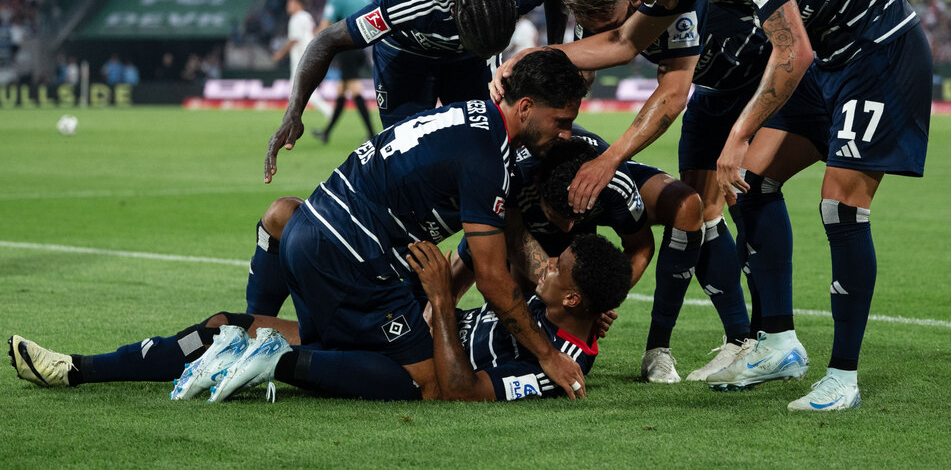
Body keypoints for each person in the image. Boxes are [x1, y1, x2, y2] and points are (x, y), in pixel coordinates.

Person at [497, 0, 932, 411]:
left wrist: (738, 135)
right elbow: (621, 43)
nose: (638, 5)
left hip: (875, 50)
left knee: (842, 203)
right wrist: (525, 61)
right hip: (830, 57)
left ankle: (843, 378)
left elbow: (793, 49)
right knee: (753, 183)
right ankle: (778, 343)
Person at [256, 48, 590, 398]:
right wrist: (548, 355)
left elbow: (509, 236)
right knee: (426, 381)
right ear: (525, 107)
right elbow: (492, 279)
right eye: (561, 121)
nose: (566, 134)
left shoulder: (473, 116)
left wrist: (581, 300)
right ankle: (268, 361)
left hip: (312, 227)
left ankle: (213, 337)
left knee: (326, 349)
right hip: (350, 251)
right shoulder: (488, 158)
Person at [9, 233, 631, 403]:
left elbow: (462, 390)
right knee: (229, 322)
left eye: (557, 271)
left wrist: (443, 303)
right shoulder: (556, 311)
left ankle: (262, 365)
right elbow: (511, 244)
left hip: (408, 372)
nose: (545, 269)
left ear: (572, 300)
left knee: (284, 356)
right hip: (406, 327)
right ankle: (78, 370)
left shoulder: (562, 371)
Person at [563, 0, 775, 381]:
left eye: (605, 14)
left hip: (755, 88)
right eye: (590, 18)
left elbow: (675, 91)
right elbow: (580, 72)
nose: (599, 25)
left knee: (750, 199)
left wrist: (610, 159)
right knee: (699, 208)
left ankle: (770, 336)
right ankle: (732, 340)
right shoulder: (597, 7)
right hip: (713, 92)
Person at [264, 0, 571, 181]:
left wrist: (557, 52)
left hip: (468, 59)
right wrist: (294, 110)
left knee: (490, 149)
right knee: (404, 163)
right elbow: (326, 40)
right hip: (406, 53)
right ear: (453, 16)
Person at [457, 131, 704, 383]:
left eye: (575, 217)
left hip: (588, 205)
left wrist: (595, 302)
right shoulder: (513, 176)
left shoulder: (612, 183)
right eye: (558, 217)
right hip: (515, 219)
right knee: (494, 275)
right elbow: (510, 238)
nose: (567, 228)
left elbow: (640, 247)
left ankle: (658, 349)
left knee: (688, 204)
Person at [311, 0, 376, 143]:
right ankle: (326, 133)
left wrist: (313, 40)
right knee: (342, 91)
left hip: (346, 48)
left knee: (355, 89)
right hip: (362, 47)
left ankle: (372, 133)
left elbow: (325, 26)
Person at [271, 0, 334, 120]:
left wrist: (280, 53)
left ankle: (294, 118)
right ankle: (323, 111)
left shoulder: (296, 18)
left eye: (290, 3)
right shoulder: (307, 16)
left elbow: (294, 39)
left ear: (297, 4)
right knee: (303, 89)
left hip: (301, 58)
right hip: (311, 54)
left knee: (297, 88)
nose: (288, 6)